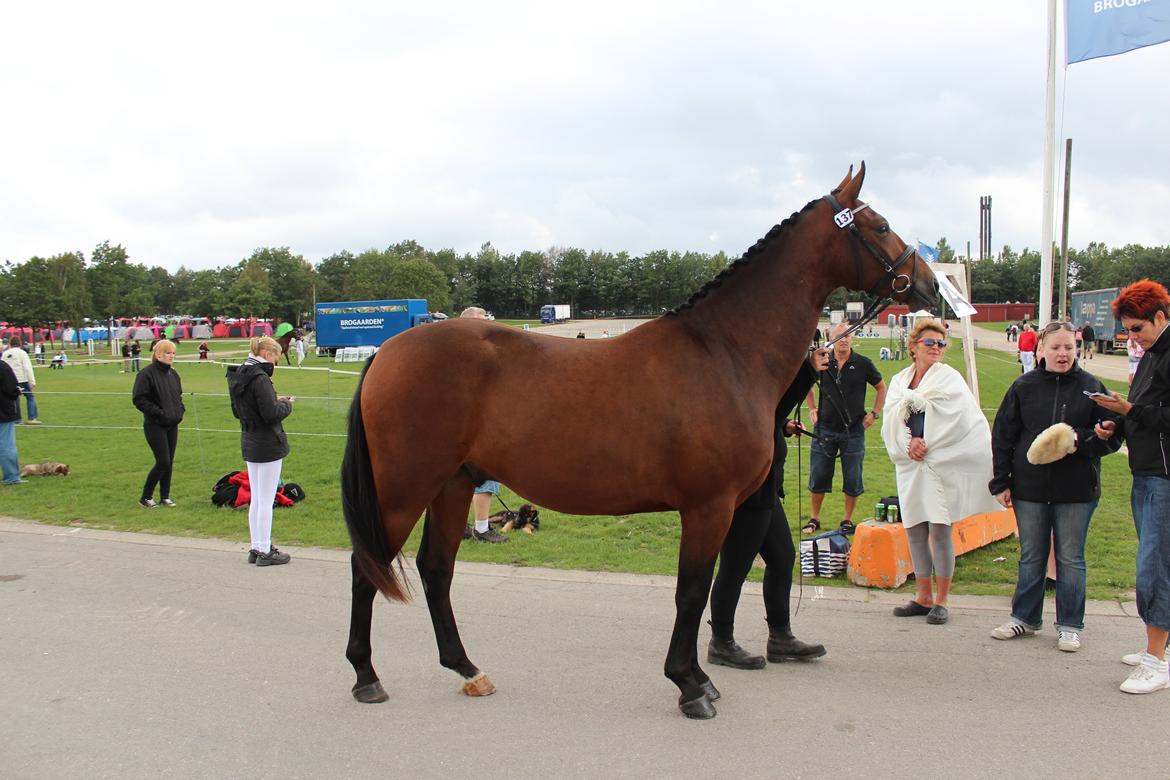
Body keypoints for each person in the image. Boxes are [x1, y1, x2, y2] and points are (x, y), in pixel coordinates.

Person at [988, 321, 1120, 652]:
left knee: (1070, 557)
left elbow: (1113, 436)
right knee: (1032, 555)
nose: (1062, 354)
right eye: (1056, 347)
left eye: (1068, 348)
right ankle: (1025, 617)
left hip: (1076, 490)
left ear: (1077, 349)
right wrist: (1001, 480)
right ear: (1041, 350)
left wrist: (1086, 438)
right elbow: (1004, 435)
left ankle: (1070, 625)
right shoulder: (1023, 386)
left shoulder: (1092, 388)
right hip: (1029, 489)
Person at [707, 347, 830, 669]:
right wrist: (808, 372)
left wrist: (784, 425)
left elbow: (772, 413)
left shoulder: (751, 374)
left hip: (766, 486)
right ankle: (721, 642)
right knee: (735, 567)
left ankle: (780, 638)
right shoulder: (742, 375)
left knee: (782, 558)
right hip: (750, 488)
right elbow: (765, 413)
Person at [881, 318, 999, 625]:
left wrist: (928, 444)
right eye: (930, 343)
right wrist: (908, 444)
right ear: (914, 347)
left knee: (939, 528)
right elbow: (891, 418)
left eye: (941, 344)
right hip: (910, 464)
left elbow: (961, 420)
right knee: (915, 529)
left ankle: (943, 599)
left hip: (940, 461)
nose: (936, 348)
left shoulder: (950, 379)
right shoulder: (899, 381)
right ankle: (922, 596)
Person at [1091, 280, 1170, 694]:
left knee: (1154, 568)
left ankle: (1156, 661)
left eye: (1136, 328)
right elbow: (1144, 412)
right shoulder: (1152, 357)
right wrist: (1116, 423)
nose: (1130, 337)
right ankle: (1159, 650)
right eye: (1127, 330)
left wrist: (1130, 409)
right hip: (1147, 473)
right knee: (1156, 562)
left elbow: (1158, 414)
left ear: (1160, 316)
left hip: (1163, 476)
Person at [802, 322, 886, 534]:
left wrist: (874, 414)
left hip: (854, 430)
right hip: (825, 429)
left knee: (852, 477)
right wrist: (812, 408)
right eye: (840, 335)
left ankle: (847, 520)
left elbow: (881, 387)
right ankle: (814, 518)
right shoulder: (822, 361)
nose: (845, 339)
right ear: (831, 338)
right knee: (819, 474)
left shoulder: (863, 363)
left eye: (849, 335)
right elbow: (806, 385)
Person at [227, 336, 295, 566]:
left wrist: (273, 400)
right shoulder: (260, 378)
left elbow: (240, 410)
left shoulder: (239, 374)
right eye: (275, 358)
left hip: (249, 437)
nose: (275, 364)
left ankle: (257, 546)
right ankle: (265, 550)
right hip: (267, 442)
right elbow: (271, 414)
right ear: (267, 354)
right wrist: (286, 405)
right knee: (265, 500)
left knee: (257, 498)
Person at [458, 306, 509, 543]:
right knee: (485, 480)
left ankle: (461, 526)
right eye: (482, 322)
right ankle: (481, 528)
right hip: (477, 428)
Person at [132, 340, 184, 508]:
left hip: (172, 423)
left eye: (173, 353)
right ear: (158, 354)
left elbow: (178, 396)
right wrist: (159, 413)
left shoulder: (173, 374)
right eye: (168, 353)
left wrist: (179, 411)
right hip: (155, 424)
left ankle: (165, 496)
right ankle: (145, 497)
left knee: (170, 461)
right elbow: (139, 399)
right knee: (163, 461)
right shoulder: (146, 374)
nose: (171, 356)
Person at [1, 336, 40, 425]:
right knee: (30, 398)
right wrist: (32, 381)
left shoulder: (5, 354)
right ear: (20, 343)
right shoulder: (22, 353)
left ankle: (17, 419)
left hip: (10, 380)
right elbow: (28, 368)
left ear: (10, 343)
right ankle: (32, 418)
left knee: (15, 399)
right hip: (22, 379)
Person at [0, 357, 23, 485]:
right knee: (6, 445)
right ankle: (11, 477)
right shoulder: (3, 367)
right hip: (2, 411)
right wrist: (17, 391)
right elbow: (11, 389)